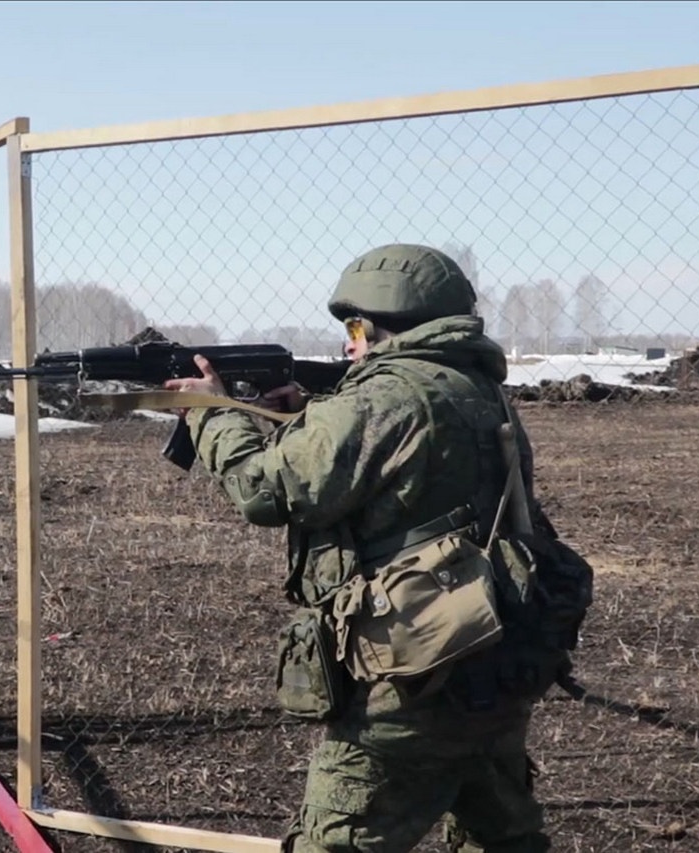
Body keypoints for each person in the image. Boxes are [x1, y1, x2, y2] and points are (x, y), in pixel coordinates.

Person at [163, 244, 558, 852]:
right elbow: (408, 469)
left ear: (388, 322)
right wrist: (313, 417)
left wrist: (210, 413)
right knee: (502, 837)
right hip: (492, 660)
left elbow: (266, 492)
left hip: (411, 685)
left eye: (355, 328)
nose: (349, 344)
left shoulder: (385, 396)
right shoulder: (473, 386)